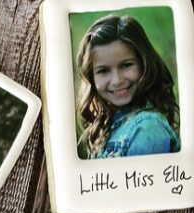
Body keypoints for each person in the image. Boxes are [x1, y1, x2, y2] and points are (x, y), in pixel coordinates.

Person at [76, 14, 180, 159]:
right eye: (103, 70)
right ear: (91, 77)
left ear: (144, 63)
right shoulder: (109, 125)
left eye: (126, 65)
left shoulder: (147, 128)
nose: (117, 80)